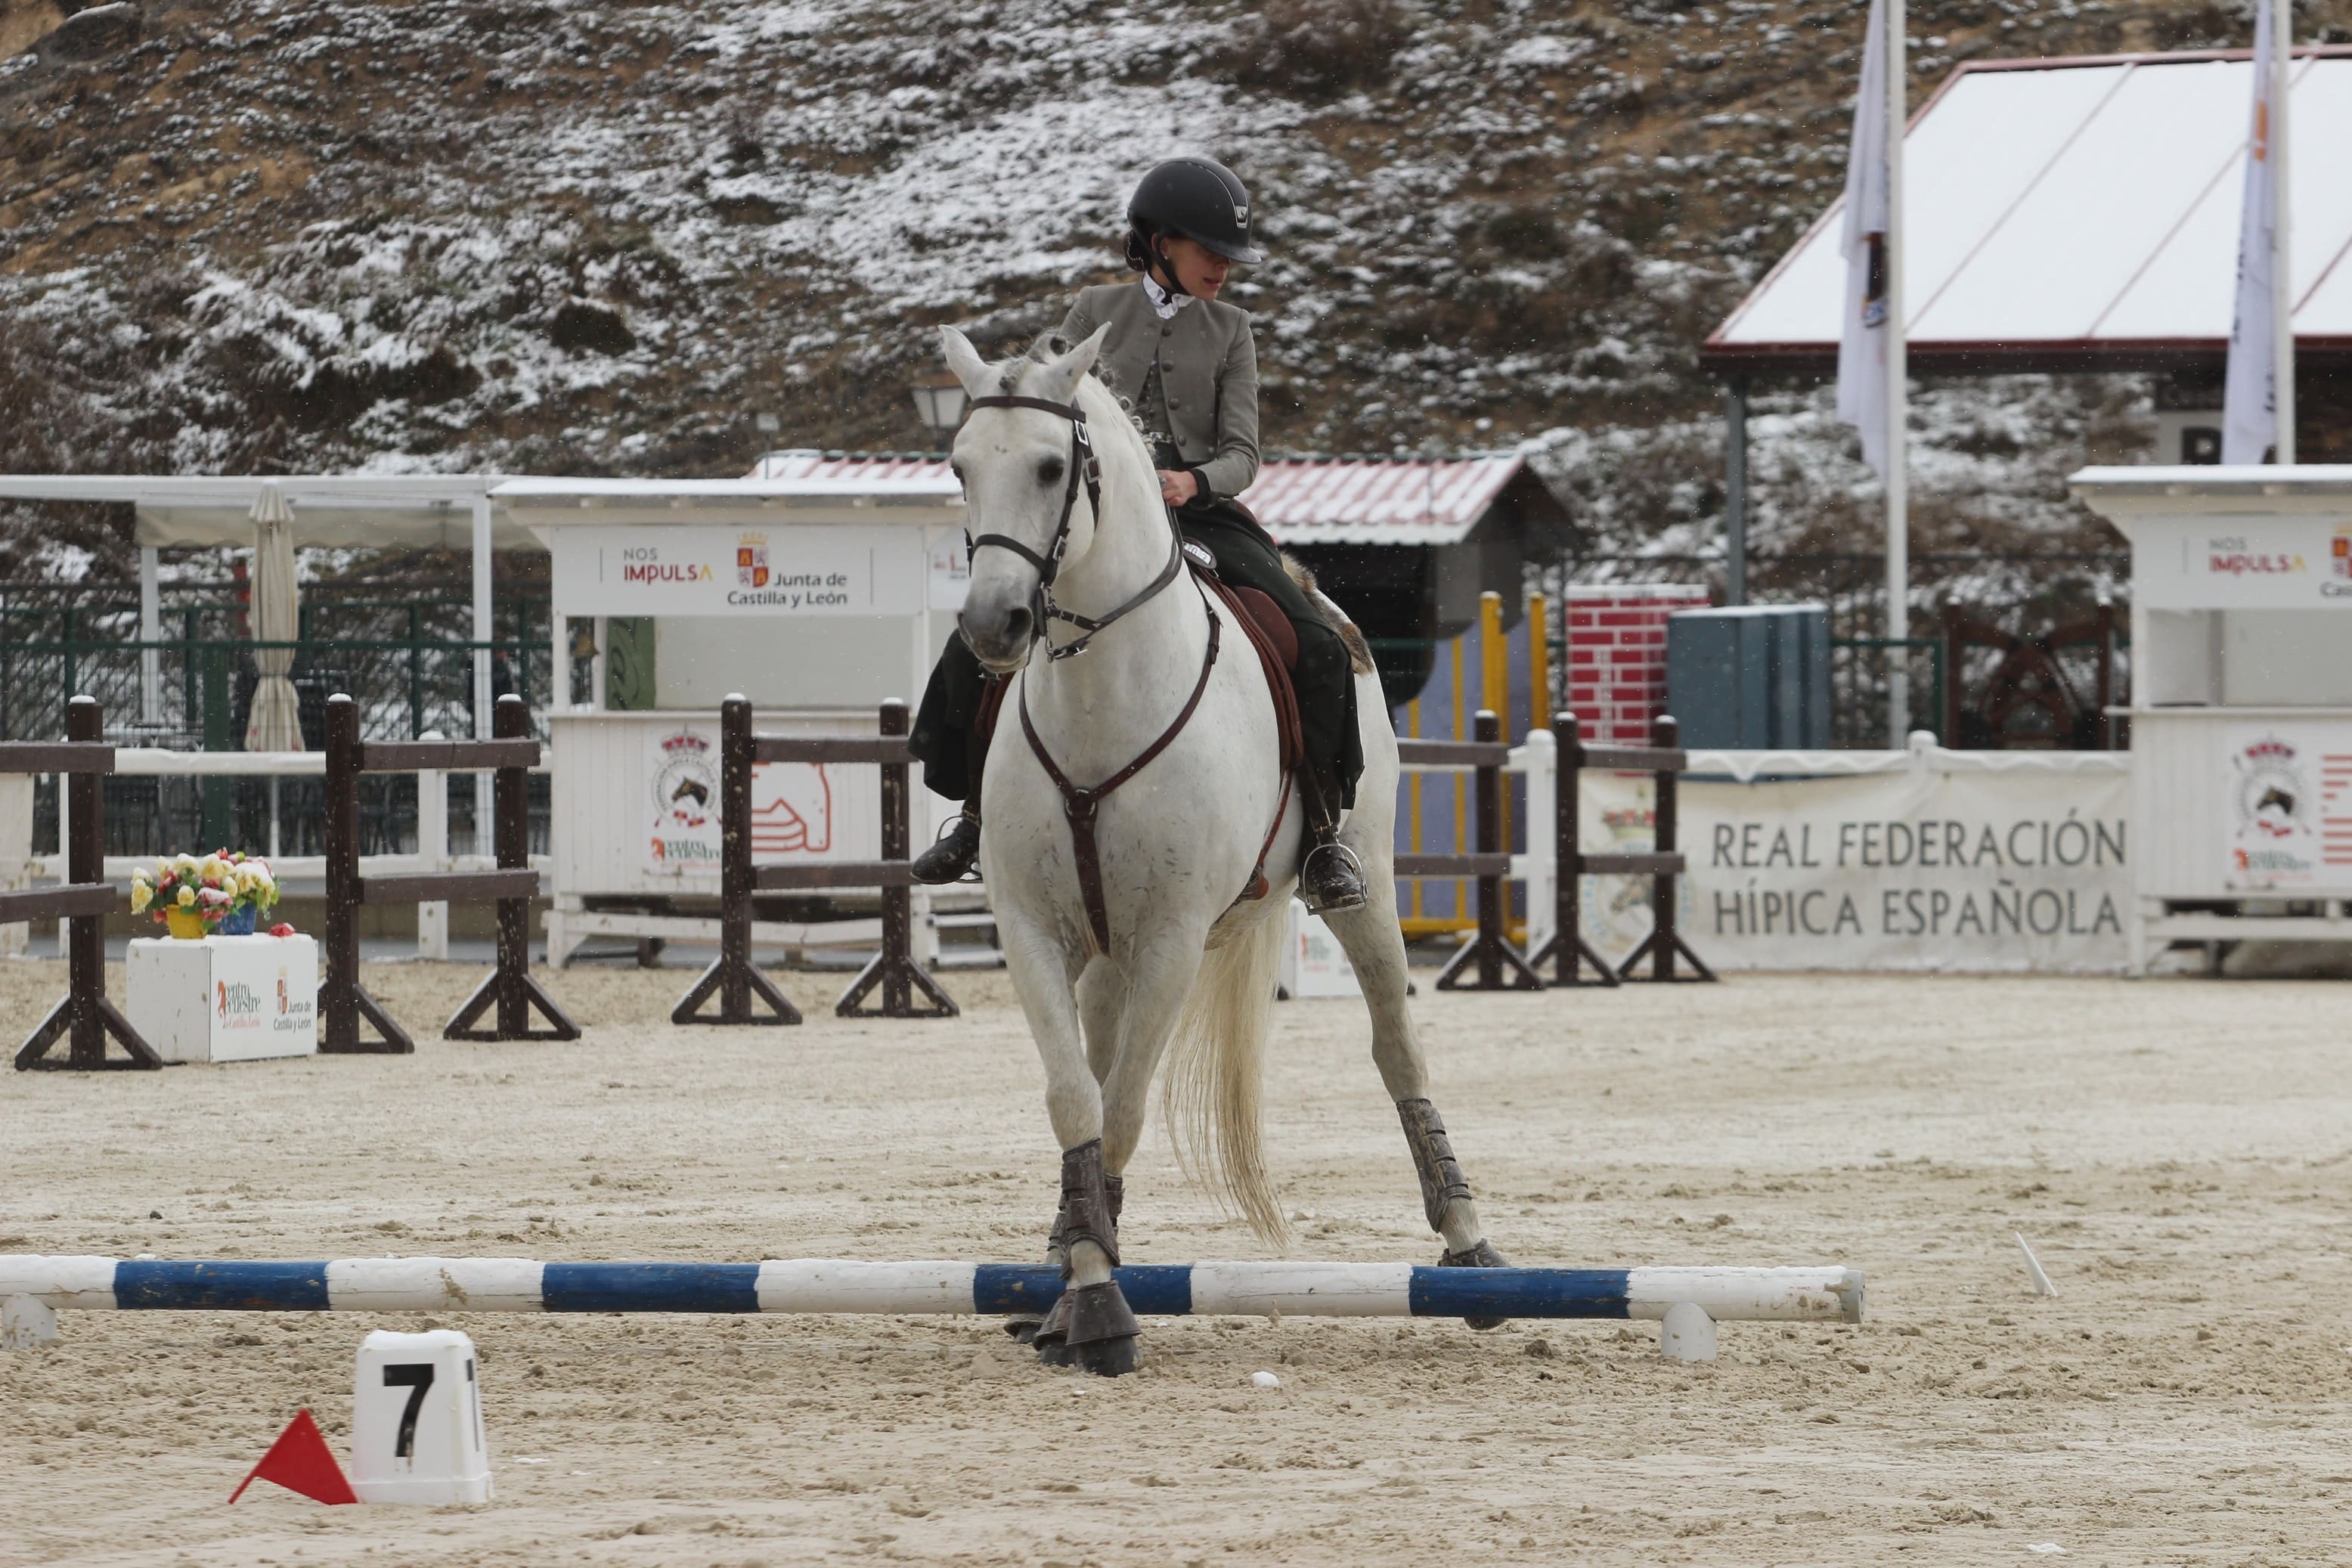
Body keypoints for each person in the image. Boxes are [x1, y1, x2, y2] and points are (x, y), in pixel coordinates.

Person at [908, 155, 1368, 914]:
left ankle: (1321, 835)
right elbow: (1042, 405)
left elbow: (1244, 453)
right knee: (985, 636)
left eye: (1229, 256)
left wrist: (1198, 480)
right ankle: (975, 817)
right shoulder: (1092, 310)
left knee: (1315, 644)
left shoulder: (1233, 331)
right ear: (1158, 243)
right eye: (1209, 251)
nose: (1223, 268)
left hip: (1201, 510)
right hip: (1098, 512)